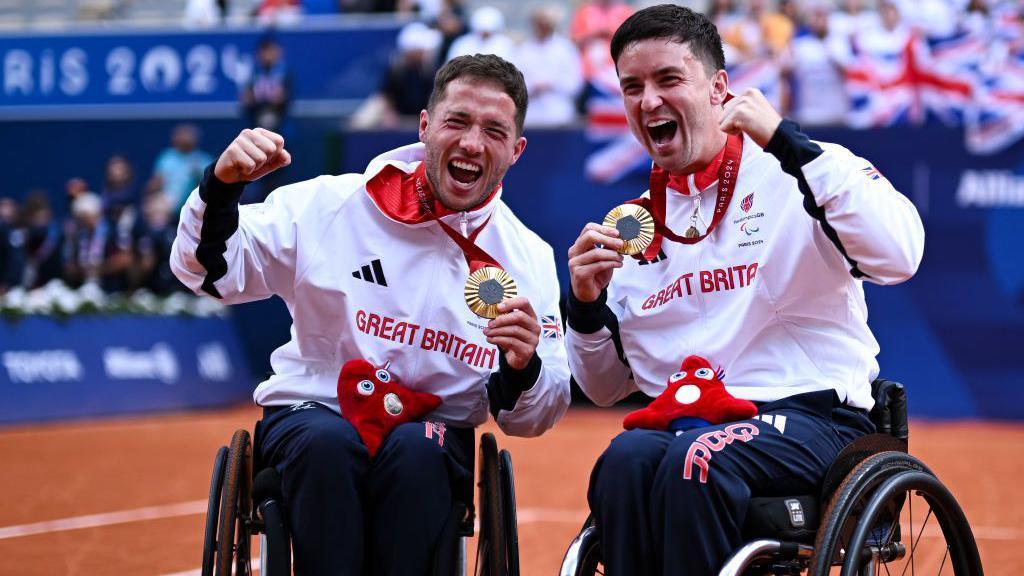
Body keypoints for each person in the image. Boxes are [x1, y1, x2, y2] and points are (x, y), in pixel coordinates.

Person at [171, 54, 570, 575]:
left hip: (431, 430)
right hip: (313, 414)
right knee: (327, 446)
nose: (472, 143)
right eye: (457, 122)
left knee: (419, 453)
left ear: (515, 150)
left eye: (494, 130)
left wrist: (525, 368)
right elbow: (208, 271)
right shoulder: (332, 204)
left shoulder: (527, 257)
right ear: (426, 126)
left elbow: (536, 413)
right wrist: (221, 188)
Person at [564, 5, 924, 575]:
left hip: (812, 420)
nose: (647, 100)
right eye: (632, 87)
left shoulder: (799, 172)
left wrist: (787, 144)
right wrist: (583, 307)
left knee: (696, 461)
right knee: (624, 459)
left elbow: (900, 254)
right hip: (688, 424)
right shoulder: (632, 229)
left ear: (719, 88)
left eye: (668, 79)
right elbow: (606, 389)